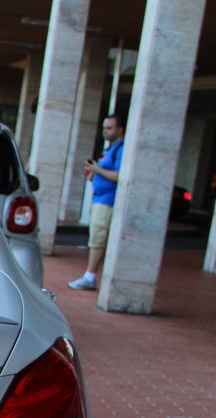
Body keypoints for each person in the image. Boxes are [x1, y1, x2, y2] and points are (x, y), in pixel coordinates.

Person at [68, 114, 125, 291]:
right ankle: (89, 275)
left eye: (109, 128)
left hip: (107, 201)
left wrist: (97, 169)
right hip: (99, 198)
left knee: (98, 239)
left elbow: (120, 176)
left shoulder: (121, 149)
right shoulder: (110, 150)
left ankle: (90, 276)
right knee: (96, 238)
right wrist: (95, 173)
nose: (105, 132)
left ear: (120, 129)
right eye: (104, 128)